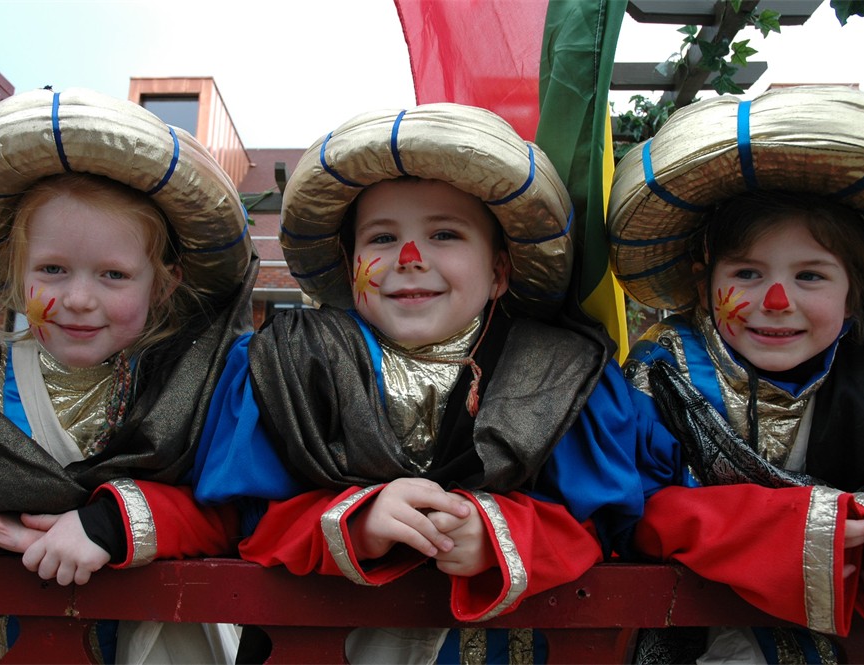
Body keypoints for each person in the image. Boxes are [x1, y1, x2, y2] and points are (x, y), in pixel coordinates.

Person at [193, 103, 681, 664]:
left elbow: (599, 527)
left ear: (499, 271)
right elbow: (243, 522)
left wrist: (500, 534)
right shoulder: (287, 364)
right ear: (350, 267)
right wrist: (355, 524)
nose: (408, 258)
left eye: (445, 234)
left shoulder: (563, 376)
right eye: (380, 239)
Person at [0, 87, 256, 664]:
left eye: (113, 274)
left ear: (162, 284)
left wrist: (112, 522)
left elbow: (229, 516)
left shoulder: (199, 389)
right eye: (52, 270)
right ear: (15, 274)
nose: (79, 299)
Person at [607, 85, 864, 663]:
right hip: (694, 627)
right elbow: (634, 509)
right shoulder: (661, 377)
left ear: (854, 298)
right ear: (704, 283)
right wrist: (786, 531)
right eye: (748, 272)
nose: (777, 299)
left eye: (810, 276)